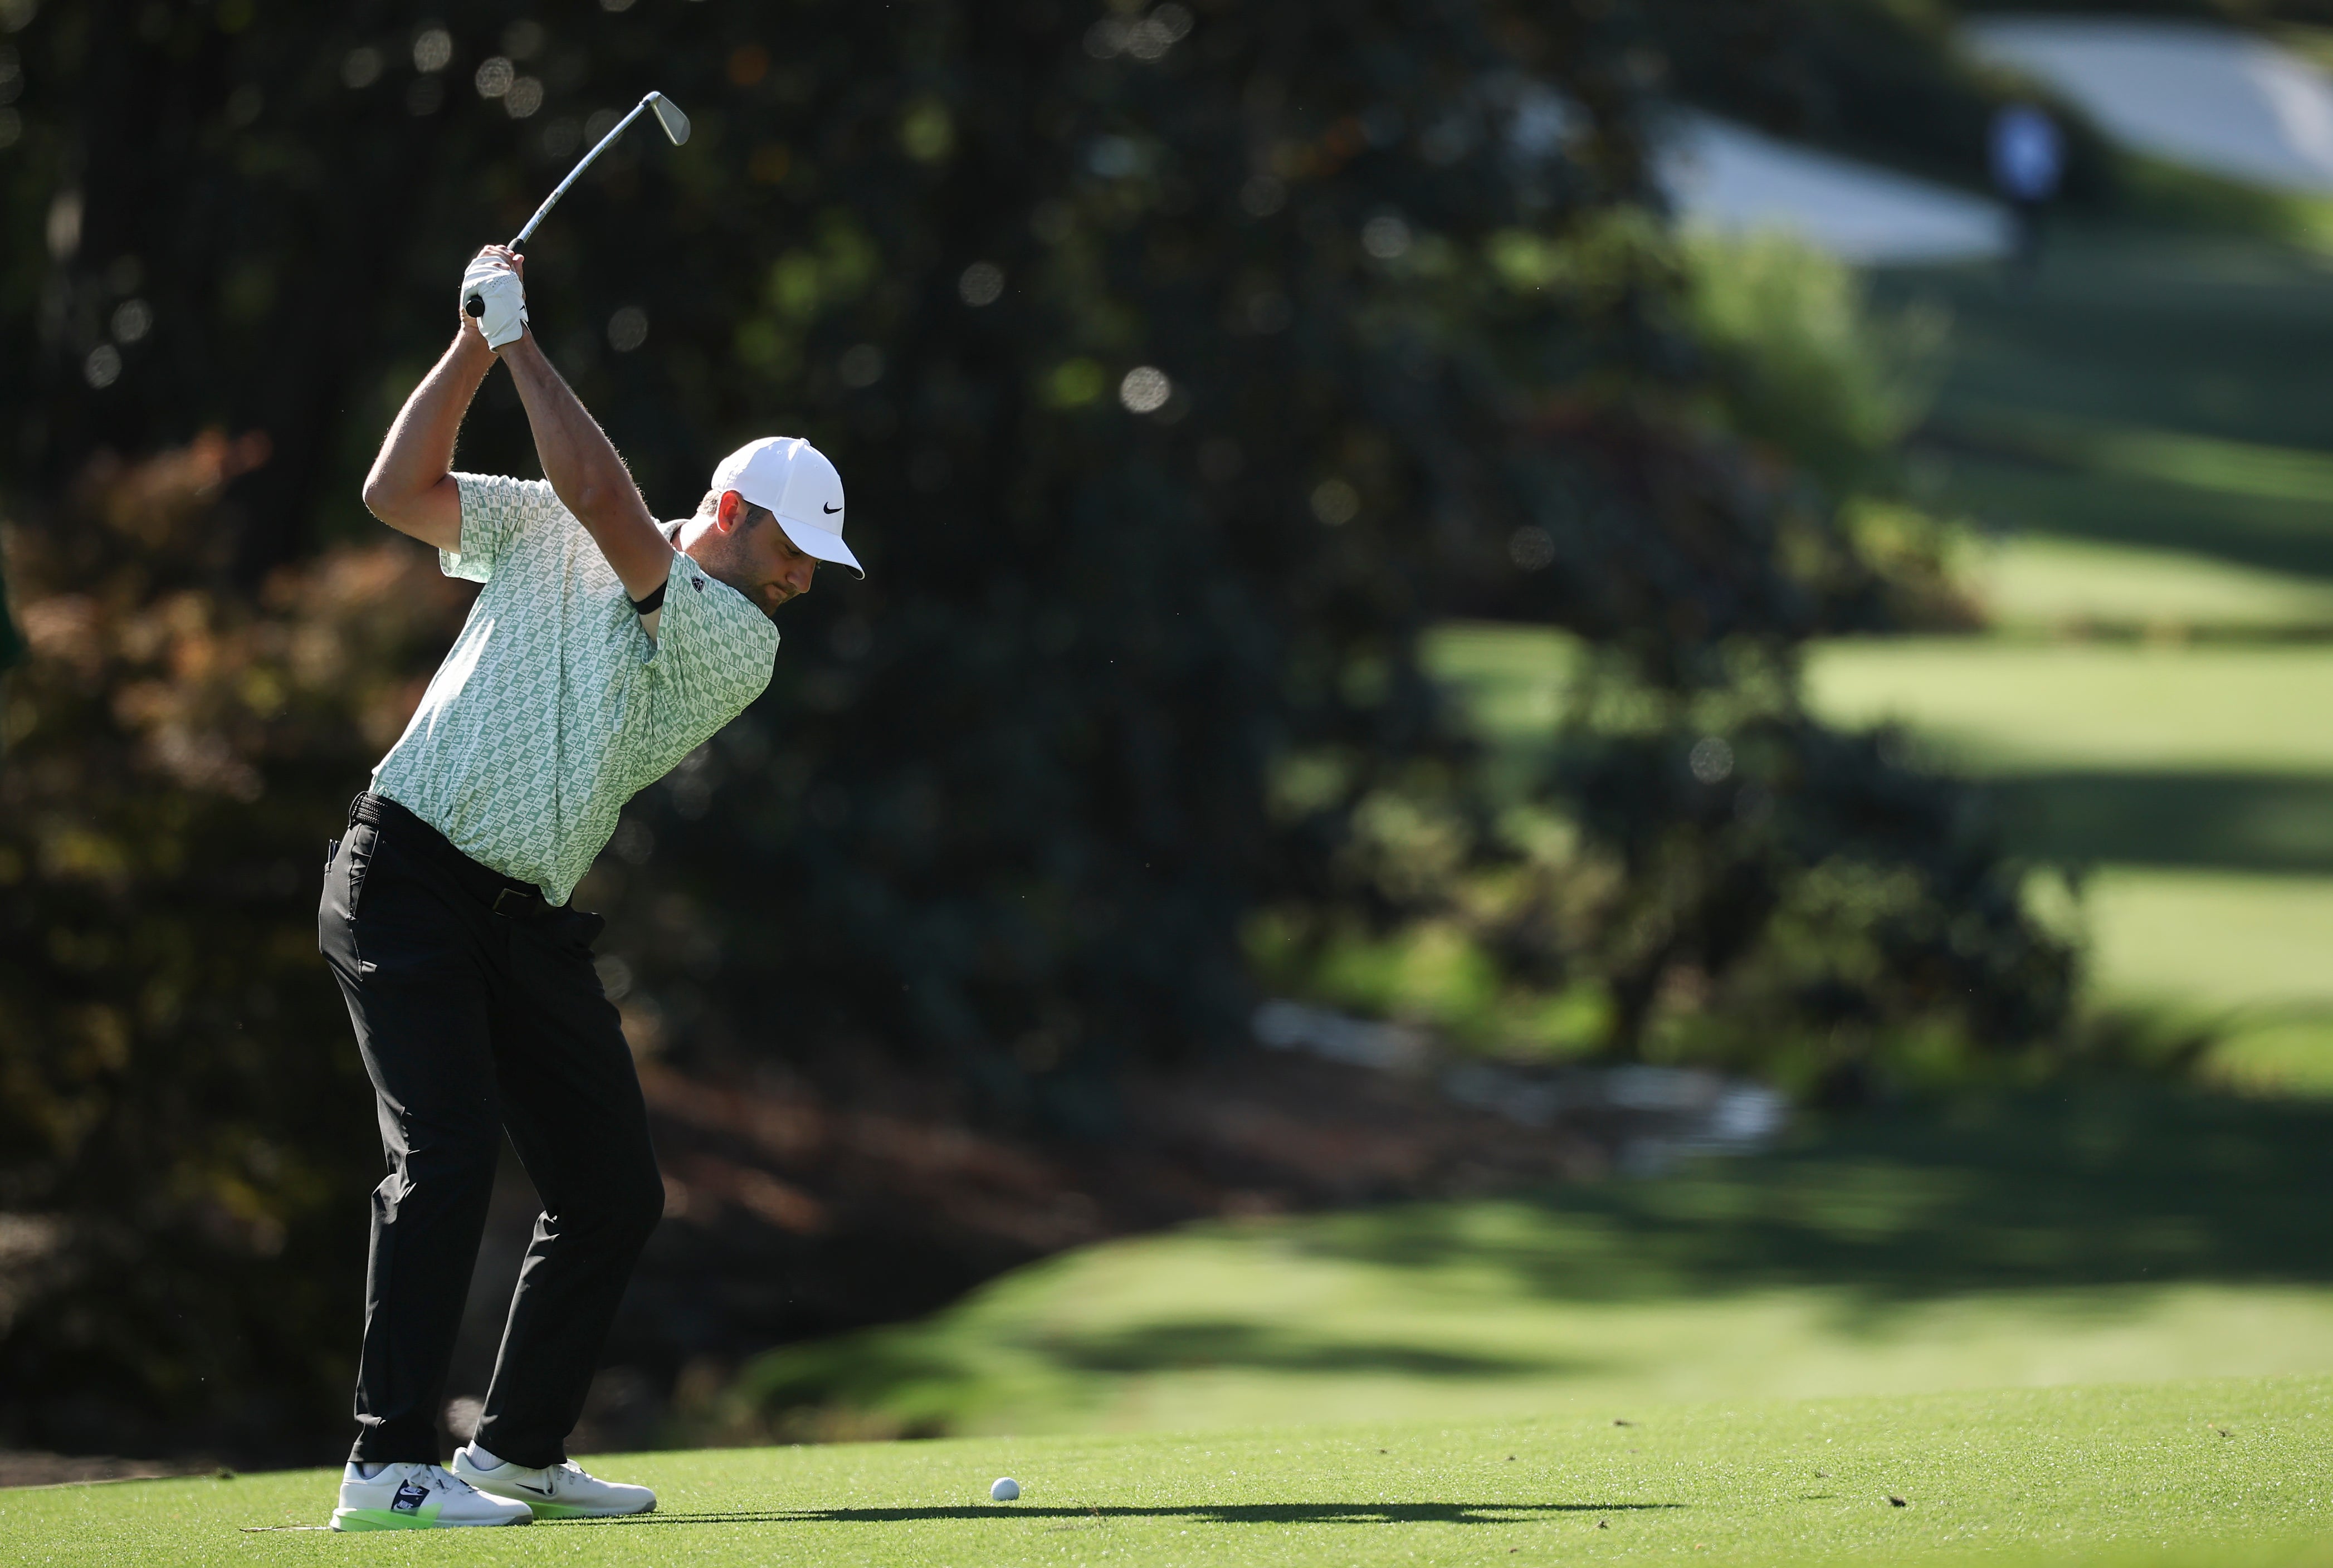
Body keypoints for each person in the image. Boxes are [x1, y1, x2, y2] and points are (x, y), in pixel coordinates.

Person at [320, 246, 862, 1531]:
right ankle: (387, 1467)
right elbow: (397, 489)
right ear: (733, 511)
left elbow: (612, 507)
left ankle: (509, 1452)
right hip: (404, 873)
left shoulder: (736, 641)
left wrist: (522, 345)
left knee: (614, 1188)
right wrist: (471, 342)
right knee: (445, 1154)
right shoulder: (550, 521)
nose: (803, 580)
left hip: (524, 923)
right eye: (796, 550)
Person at [1989, 101, 2064, 272]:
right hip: (2019, 187)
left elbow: (2052, 162)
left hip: (2036, 189)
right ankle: (2016, 262)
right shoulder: (2027, 129)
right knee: (2017, 227)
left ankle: (2026, 263)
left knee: (2031, 228)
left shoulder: (2043, 131)